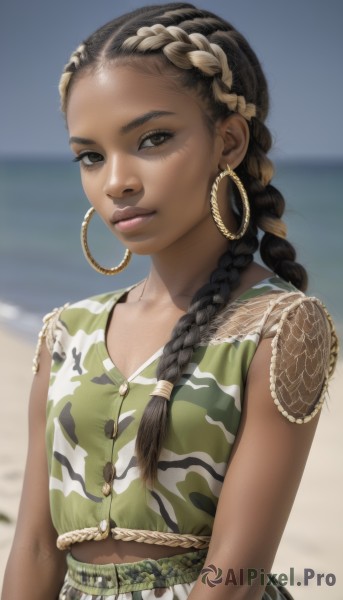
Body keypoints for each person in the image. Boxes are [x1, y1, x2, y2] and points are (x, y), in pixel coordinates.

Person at [2, 3, 338, 599]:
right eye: (91, 155)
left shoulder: (279, 327)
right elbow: (31, 547)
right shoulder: (66, 333)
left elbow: (234, 579)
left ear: (228, 141)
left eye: (152, 139)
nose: (116, 181)